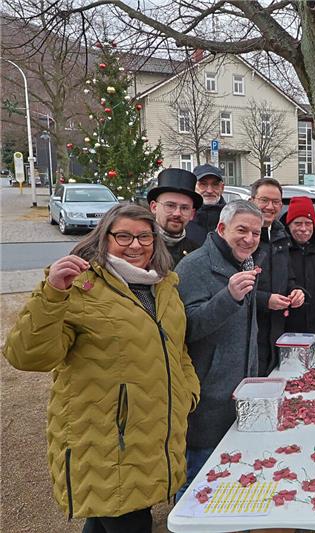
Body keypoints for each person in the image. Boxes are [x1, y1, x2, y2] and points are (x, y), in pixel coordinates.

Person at [3, 204, 200, 531]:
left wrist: (186, 394)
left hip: (154, 436)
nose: (135, 245)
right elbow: (27, 356)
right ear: (104, 237)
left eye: (144, 237)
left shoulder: (163, 286)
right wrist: (52, 294)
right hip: (106, 443)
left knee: (107, 519)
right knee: (127, 517)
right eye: (123, 236)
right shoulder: (80, 286)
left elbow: (178, 350)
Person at [174, 200, 264, 500]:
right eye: (242, 230)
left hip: (240, 390)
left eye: (256, 233)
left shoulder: (244, 262)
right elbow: (187, 328)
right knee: (199, 482)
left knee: (230, 477)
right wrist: (228, 297)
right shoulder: (194, 266)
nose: (249, 239)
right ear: (222, 228)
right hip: (208, 396)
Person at [250, 178, 304, 375]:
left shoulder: (281, 236)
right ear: (252, 201)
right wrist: (266, 300)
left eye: (276, 202)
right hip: (250, 333)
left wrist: (296, 292)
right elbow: (227, 286)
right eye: (264, 200)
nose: (270, 207)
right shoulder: (243, 238)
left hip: (276, 330)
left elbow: (288, 278)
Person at [280, 196, 315, 349]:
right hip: (287, 327)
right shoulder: (280, 249)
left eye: (308, 223)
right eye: (297, 223)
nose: (303, 229)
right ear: (288, 225)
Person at [147, 167, 203, 266]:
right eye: (170, 206)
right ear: (154, 207)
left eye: (184, 208)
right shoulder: (140, 247)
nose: (177, 213)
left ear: (192, 214)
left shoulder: (198, 254)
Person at [185, 164, 226, 245]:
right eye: (203, 184)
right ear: (193, 187)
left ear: (222, 188)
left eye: (215, 184)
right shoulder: (183, 218)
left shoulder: (231, 218)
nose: (209, 190)